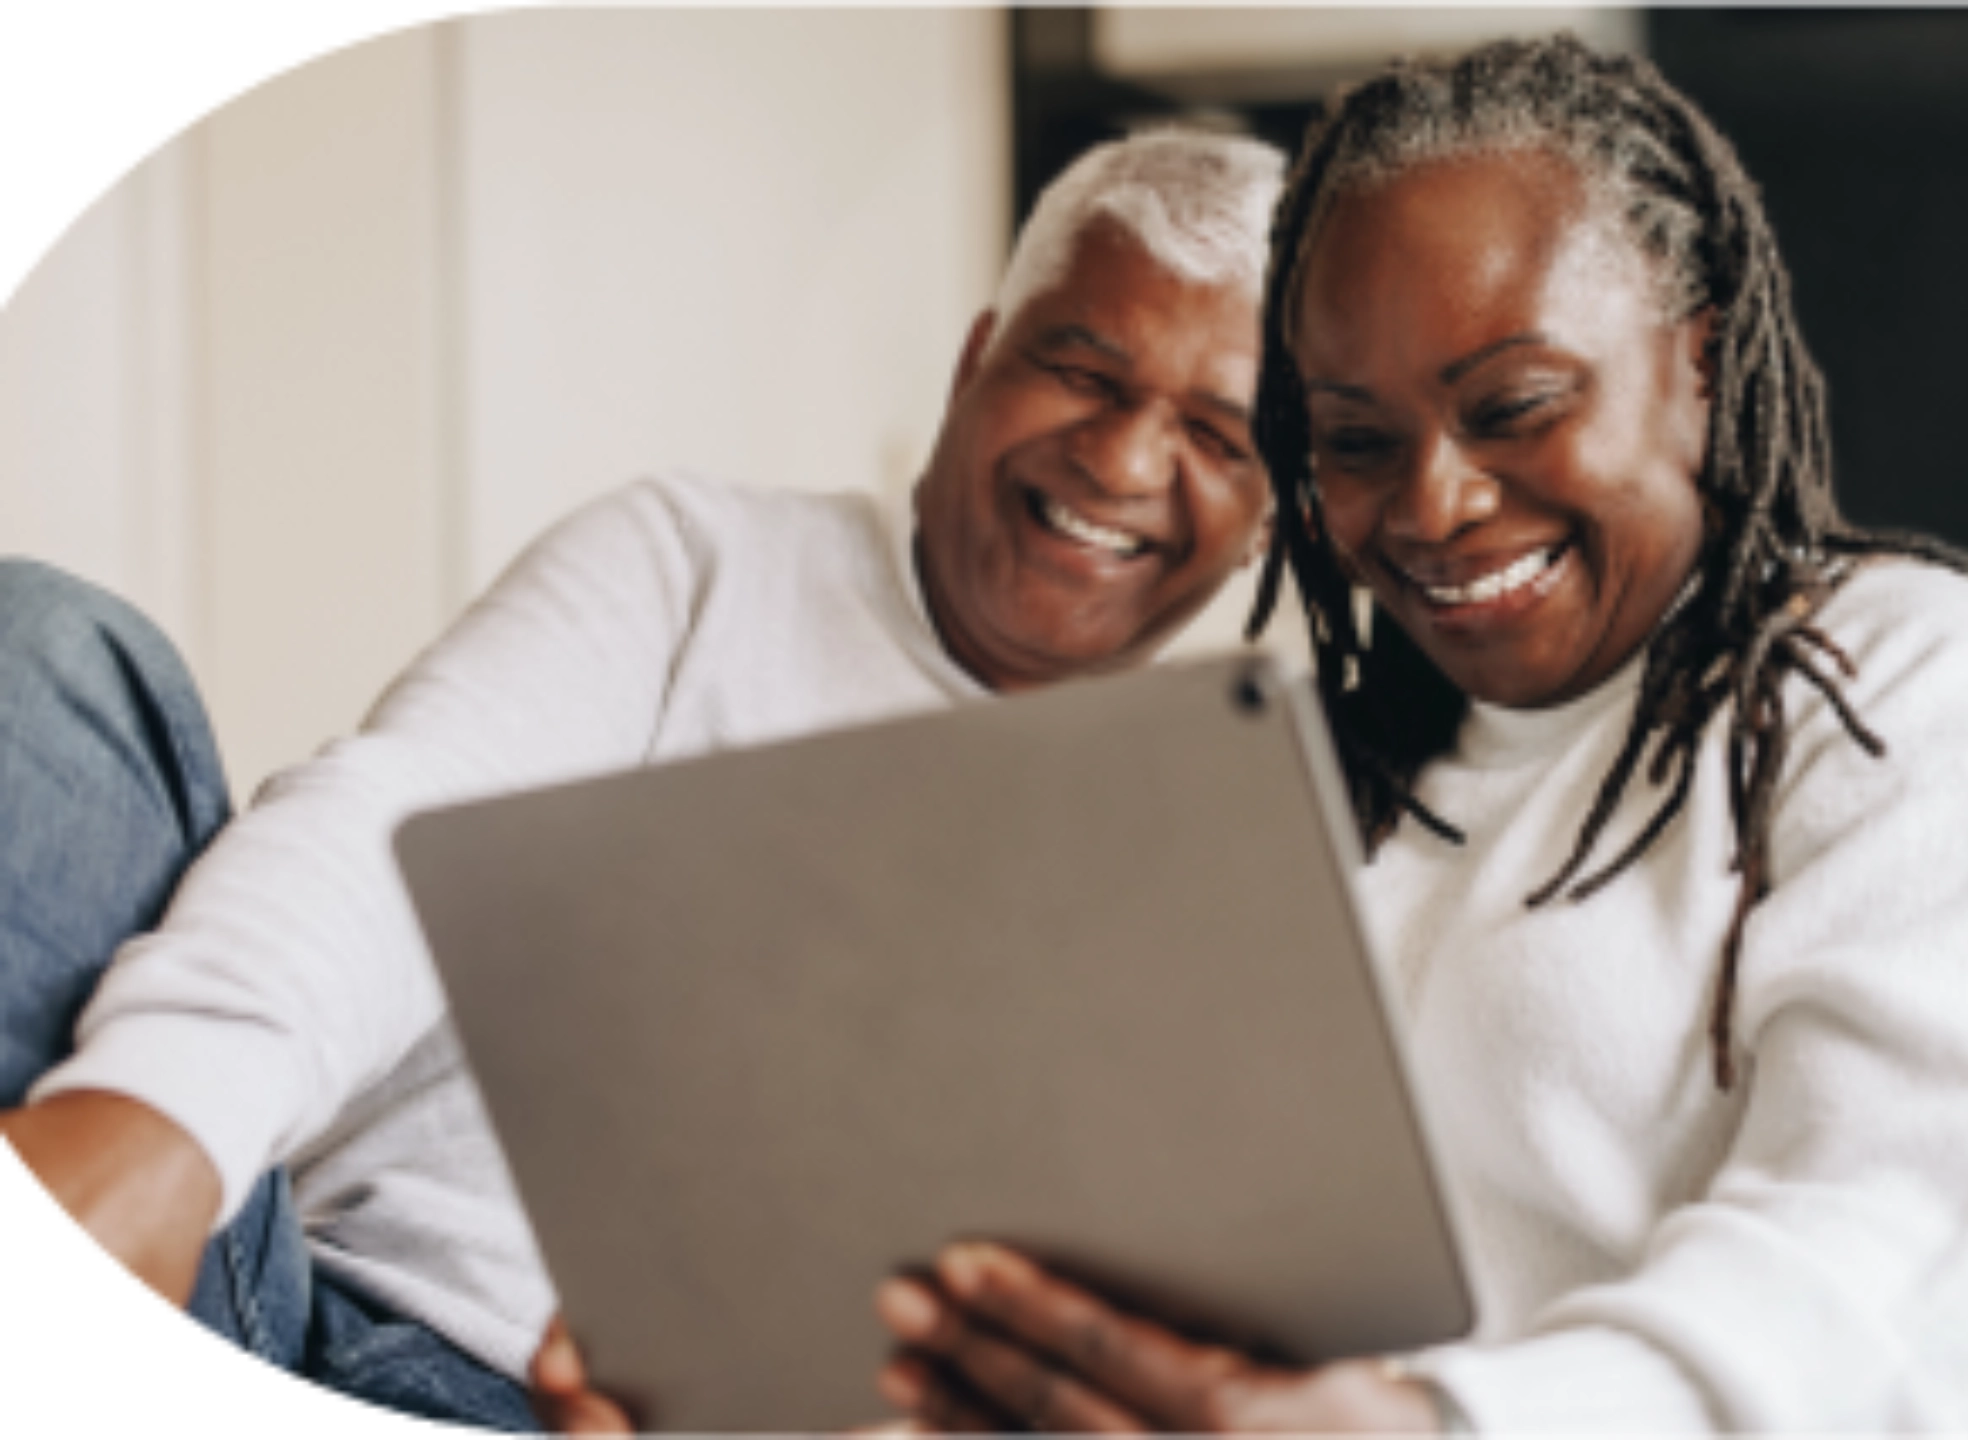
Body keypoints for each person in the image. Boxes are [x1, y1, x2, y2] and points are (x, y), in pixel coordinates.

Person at [842, 37, 1968, 1440]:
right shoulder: (1314, 772)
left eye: (1513, 407)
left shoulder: (1888, 676)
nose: (1431, 507)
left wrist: (1419, 1428)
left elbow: (1884, 1259)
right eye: (1353, 441)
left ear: (1697, 363)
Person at [0, 125, 1287, 1436]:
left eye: (1218, 438)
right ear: (975, 364)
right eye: (1081, 371)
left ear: (1267, 519)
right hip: (267, 1274)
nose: (1124, 463)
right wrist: (159, 1125)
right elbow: (402, 812)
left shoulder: (1201, 860)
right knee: (41, 655)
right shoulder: (694, 567)